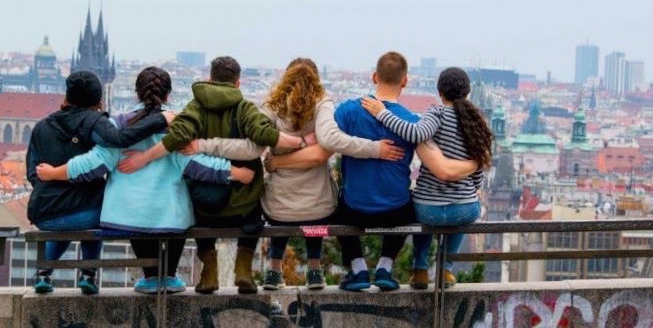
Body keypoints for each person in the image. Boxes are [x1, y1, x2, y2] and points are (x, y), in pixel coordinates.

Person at [183, 57, 406, 291]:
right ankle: (315, 269)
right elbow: (328, 142)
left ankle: (274, 270)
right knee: (319, 204)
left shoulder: (273, 106)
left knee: (277, 202)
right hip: (319, 208)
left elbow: (255, 142)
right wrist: (375, 149)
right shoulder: (323, 104)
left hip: (278, 209)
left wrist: (272, 161)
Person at [36, 67, 256, 294]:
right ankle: (168, 276)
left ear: (136, 93)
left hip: (129, 215)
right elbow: (198, 165)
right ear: (168, 95)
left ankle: (150, 277)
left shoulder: (118, 125)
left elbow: (92, 163)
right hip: (170, 217)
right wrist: (236, 172)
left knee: (140, 217)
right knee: (176, 211)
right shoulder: (177, 126)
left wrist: (55, 173)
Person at [116, 56, 308, 294]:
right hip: (242, 206)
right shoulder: (245, 107)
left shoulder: (196, 107)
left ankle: (209, 272)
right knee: (257, 203)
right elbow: (264, 134)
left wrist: (143, 158)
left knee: (193, 206)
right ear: (238, 83)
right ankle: (244, 269)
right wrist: (300, 142)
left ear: (210, 79)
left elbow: (175, 138)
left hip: (207, 205)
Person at [333, 52, 477, 292]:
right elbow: (437, 164)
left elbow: (327, 141)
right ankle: (385, 267)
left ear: (374, 77)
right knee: (411, 204)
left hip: (354, 209)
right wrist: (476, 163)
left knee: (336, 203)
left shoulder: (347, 110)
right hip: (395, 211)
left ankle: (358, 268)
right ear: (405, 81)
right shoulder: (411, 121)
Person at [25, 70, 170, 295]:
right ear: (98, 100)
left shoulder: (42, 126)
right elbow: (118, 140)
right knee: (102, 208)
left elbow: (33, 174)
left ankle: (43, 273)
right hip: (85, 214)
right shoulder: (93, 122)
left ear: (67, 96)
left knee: (68, 220)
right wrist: (160, 119)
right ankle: (88, 275)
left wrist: (54, 187)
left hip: (45, 214)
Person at [361, 66, 492, 289]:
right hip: (463, 208)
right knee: (465, 215)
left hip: (428, 209)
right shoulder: (477, 124)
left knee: (419, 212)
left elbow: (415, 134)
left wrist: (382, 114)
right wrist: (471, 190)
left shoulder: (437, 113)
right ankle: (446, 270)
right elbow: (478, 172)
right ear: (467, 93)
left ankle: (420, 269)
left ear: (440, 91)